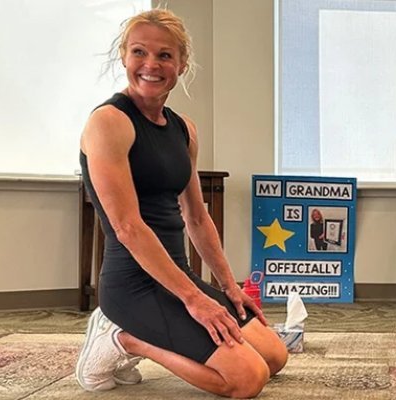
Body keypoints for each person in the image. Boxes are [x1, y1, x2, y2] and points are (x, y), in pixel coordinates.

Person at [74, 8, 288, 398]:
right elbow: (127, 227)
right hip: (134, 286)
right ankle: (123, 338)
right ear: (124, 56)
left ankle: (149, 330)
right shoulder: (108, 122)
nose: (151, 65)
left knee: (274, 357)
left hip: (178, 277)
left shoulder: (183, 128)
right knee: (246, 379)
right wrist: (195, 301)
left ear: (182, 64)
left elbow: (197, 217)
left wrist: (228, 286)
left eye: (164, 55)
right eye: (139, 52)